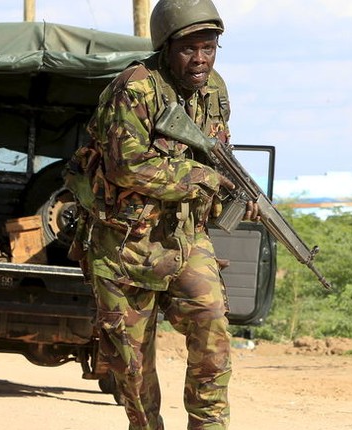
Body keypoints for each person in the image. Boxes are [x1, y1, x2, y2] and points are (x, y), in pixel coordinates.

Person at [65, 0, 258, 428]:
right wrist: (202, 178)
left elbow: (218, 151)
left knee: (212, 327)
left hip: (185, 239)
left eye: (209, 48)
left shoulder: (214, 89)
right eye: (190, 49)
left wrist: (241, 195)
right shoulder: (135, 88)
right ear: (167, 47)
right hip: (124, 245)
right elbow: (126, 165)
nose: (201, 59)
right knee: (131, 366)